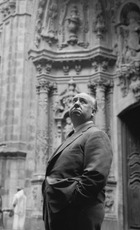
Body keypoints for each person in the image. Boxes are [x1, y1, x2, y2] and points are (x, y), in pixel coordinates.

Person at [42, 92, 113, 230]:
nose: (76, 103)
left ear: (93, 111)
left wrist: (66, 204)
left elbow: (95, 177)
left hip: (77, 216)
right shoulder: (72, 137)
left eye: (82, 101)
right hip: (60, 216)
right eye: (74, 100)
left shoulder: (96, 135)